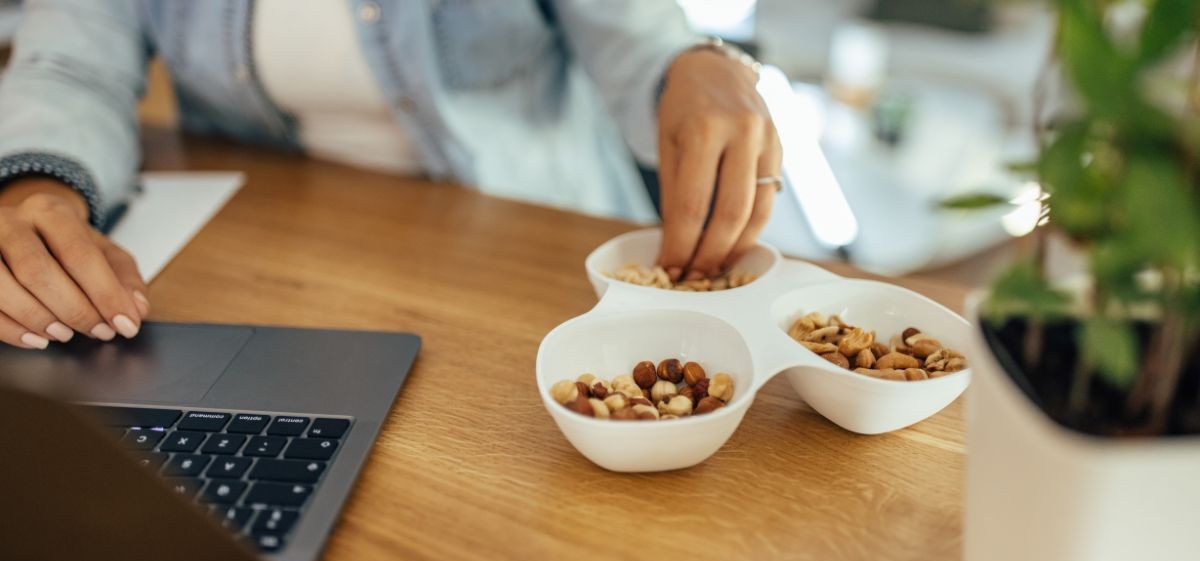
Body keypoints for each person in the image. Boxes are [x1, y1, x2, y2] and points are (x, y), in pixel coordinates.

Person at [0, 0, 782, 349]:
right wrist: (34, 184)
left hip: (526, 262)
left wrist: (697, 63)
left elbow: (640, 44)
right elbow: (72, 66)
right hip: (264, 273)